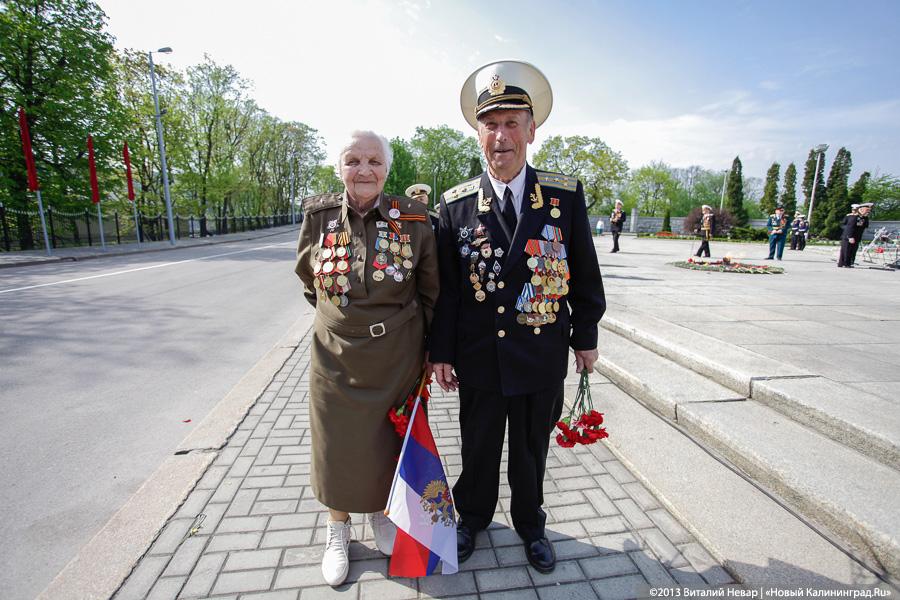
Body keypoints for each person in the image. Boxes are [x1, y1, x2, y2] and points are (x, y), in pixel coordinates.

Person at [429, 60, 606, 574]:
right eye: (491, 125)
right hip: (479, 355)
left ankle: (531, 524)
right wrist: (441, 351)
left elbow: (585, 272)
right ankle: (473, 519)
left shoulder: (562, 196)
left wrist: (586, 335)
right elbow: (448, 292)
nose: (501, 136)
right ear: (477, 133)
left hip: (538, 351)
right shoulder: (455, 205)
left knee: (531, 450)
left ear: (532, 129)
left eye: (512, 123)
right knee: (478, 446)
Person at [293, 131, 439, 586]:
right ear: (339, 167)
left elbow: (431, 288)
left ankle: (380, 513)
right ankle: (339, 529)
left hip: (397, 354)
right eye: (353, 160)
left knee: (383, 444)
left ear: (386, 169)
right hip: (335, 357)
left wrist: (430, 352)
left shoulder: (412, 218)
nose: (364, 170)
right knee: (337, 446)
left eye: (374, 160)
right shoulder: (318, 217)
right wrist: (342, 323)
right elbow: (307, 279)